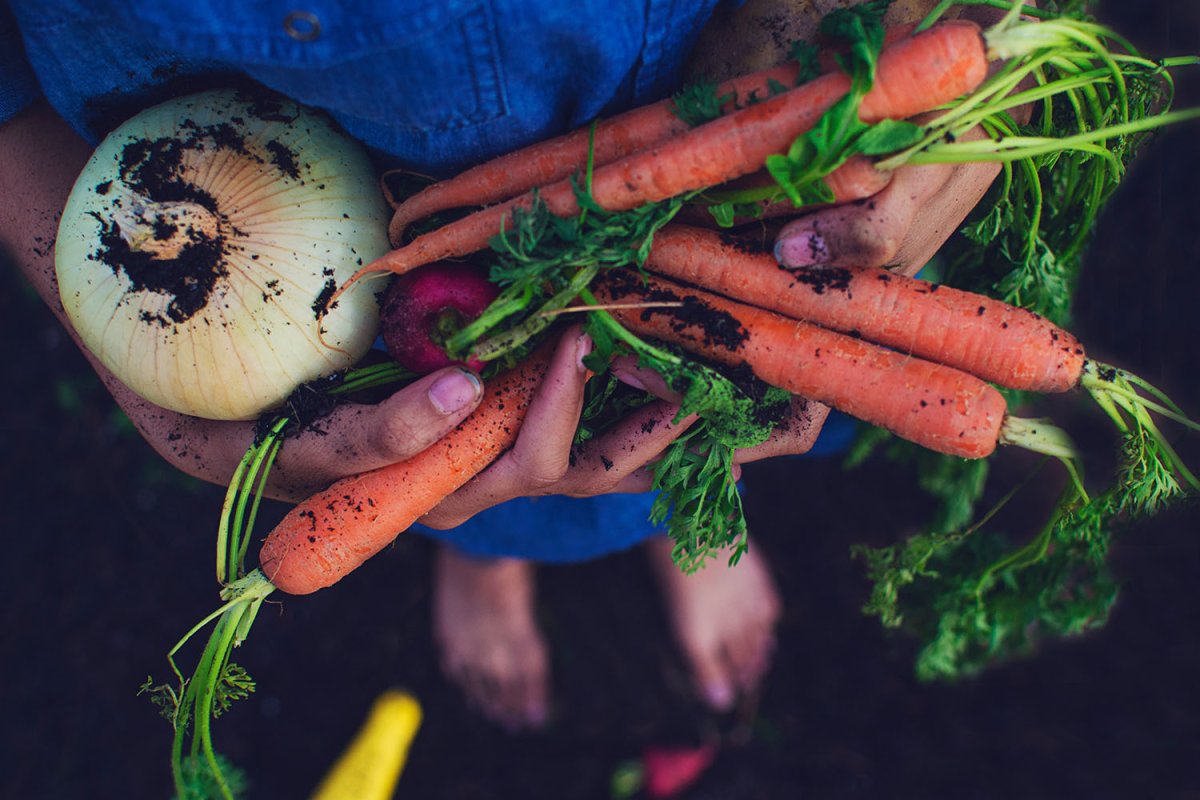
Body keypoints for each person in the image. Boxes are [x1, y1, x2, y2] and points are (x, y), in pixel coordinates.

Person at [0, 0, 1003, 731]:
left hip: (746, 135)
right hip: (316, 256)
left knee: (686, 389)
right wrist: (149, 363)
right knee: (464, 431)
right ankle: (495, 549)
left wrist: (960, 39)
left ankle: (666, 525)